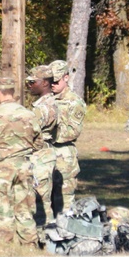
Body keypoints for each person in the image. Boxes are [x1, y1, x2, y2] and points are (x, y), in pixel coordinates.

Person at [0, 76, 42, 246]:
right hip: (24, 166)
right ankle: (29, 247)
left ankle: (5, 248)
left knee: (2, 210)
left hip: (2, 168)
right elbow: (39, 143)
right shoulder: (28, 114)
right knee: (25, 210)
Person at [49, 60, 86, 213]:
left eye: (56, 81)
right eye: (50, 81)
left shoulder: (74, 102)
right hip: (46, 154)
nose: (53, 85)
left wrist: (48, 135)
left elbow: (73, 131)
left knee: (64, 201)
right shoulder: (47, 100)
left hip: (64, 155)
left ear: (66, 78)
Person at [25, 65, 58, 226]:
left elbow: (31, 131)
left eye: (33, 82)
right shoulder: (41, 104)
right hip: (40, 154)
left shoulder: (45, 106)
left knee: (41, 200)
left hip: (41, 156)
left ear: (45, 83)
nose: (30, 86)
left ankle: (46, 236)